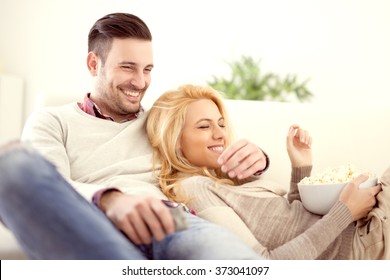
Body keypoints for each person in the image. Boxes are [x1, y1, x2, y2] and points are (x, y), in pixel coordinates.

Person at [0, 13, 267, 260]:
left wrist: (258, 159)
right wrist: (110, 200)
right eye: (128, 67)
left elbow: (212, 151)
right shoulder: (52, 121)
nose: (140, 82)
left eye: (147, 69)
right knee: (11, 165)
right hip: (94, 225)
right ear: (94, 64)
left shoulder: (160, 120)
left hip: (171, 220)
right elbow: (50, 192)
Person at [146, 84, 390, 259]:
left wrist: (300, 167)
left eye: (220, 123)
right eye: (204, 126)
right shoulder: (193, 189)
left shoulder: (223, 178)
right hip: (364, 242)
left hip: (368, 226)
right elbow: (265, 265)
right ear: (175, 139)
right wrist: (344, 212)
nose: (220, 133)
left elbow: (291, 223)